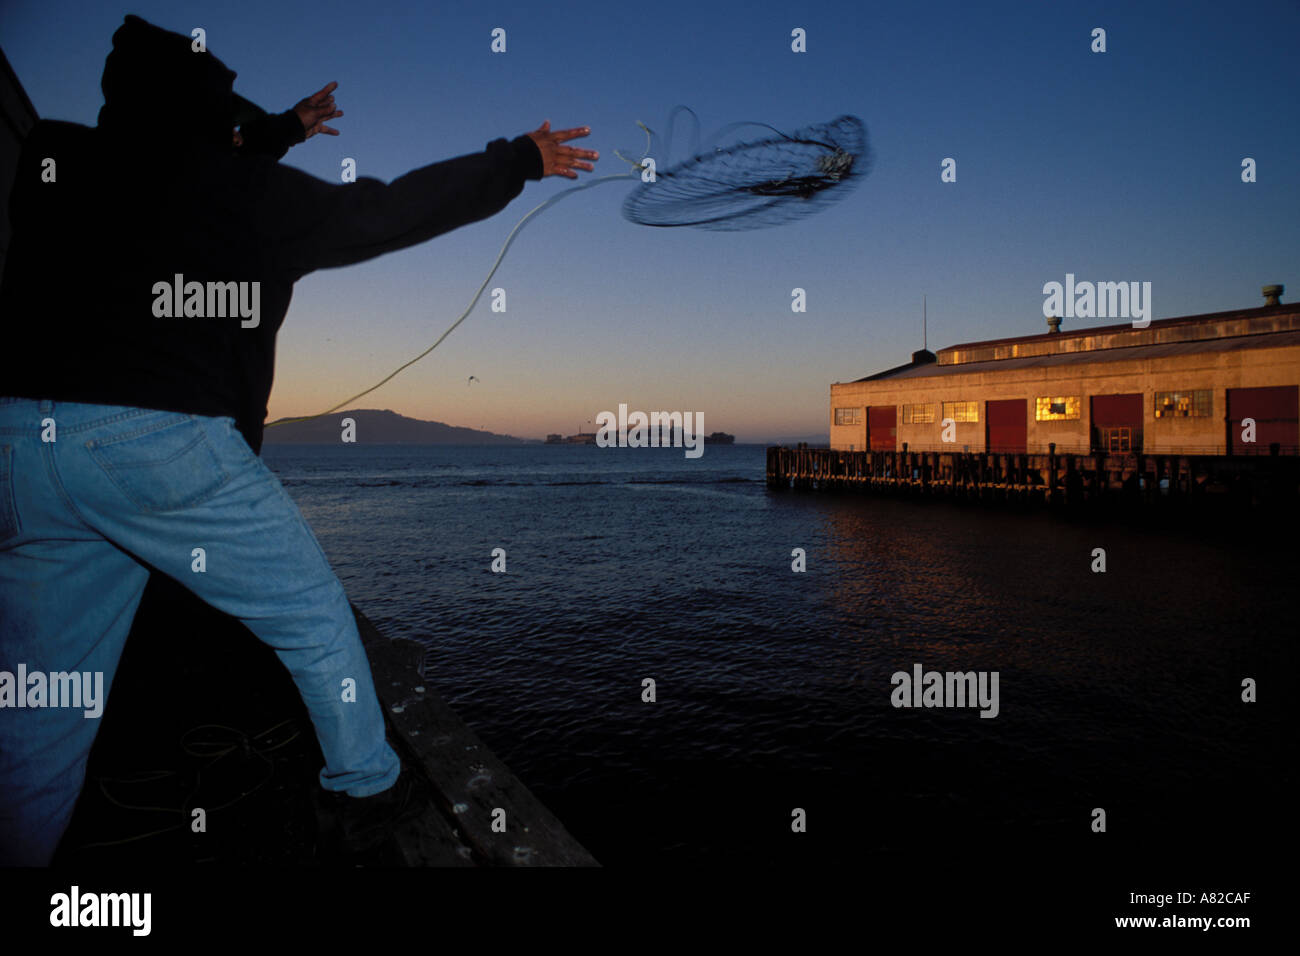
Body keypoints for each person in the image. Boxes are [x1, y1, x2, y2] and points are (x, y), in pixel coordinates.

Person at [0, 13, 597, 865]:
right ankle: (369, 790)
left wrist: (278, 130)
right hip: (154, 443)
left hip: (21, 445)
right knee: (314, 618)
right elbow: (386, 210)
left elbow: (164, 162)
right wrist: (518, 161)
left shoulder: (52, 162)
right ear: (213, 115)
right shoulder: (242, 193)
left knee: (41, 708)